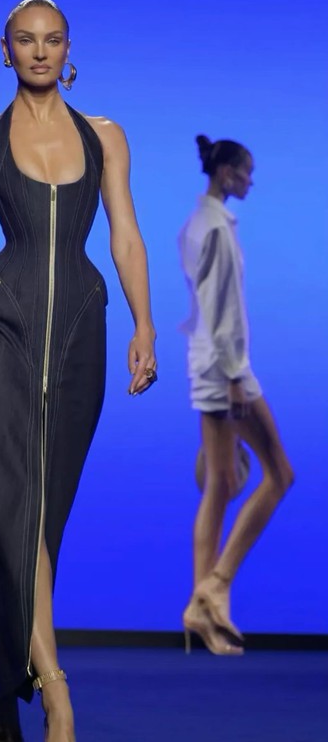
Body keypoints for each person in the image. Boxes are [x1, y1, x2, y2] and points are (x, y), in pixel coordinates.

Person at [0, 0, 157, 740]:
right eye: (26, 39)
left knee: (43, 515)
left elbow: (126, 236)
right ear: (5, 49)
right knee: (8, 503)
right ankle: (55, 694)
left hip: (81, 327)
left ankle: (2, 682)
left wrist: (144, 322)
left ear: (68, 48)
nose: (40, 51)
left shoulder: (105, 136)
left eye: (52, 40)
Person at [178, 135, 294, 656]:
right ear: (226, 172)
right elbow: (221, 309)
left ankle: (200, 611)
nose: (251, 181)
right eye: (246, 172)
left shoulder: (197, 223)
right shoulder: (217, 229)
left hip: (207, 363)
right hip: (226, 370)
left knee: (221, 483)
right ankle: (217, 585)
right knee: (280, 474)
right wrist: (232, 379)